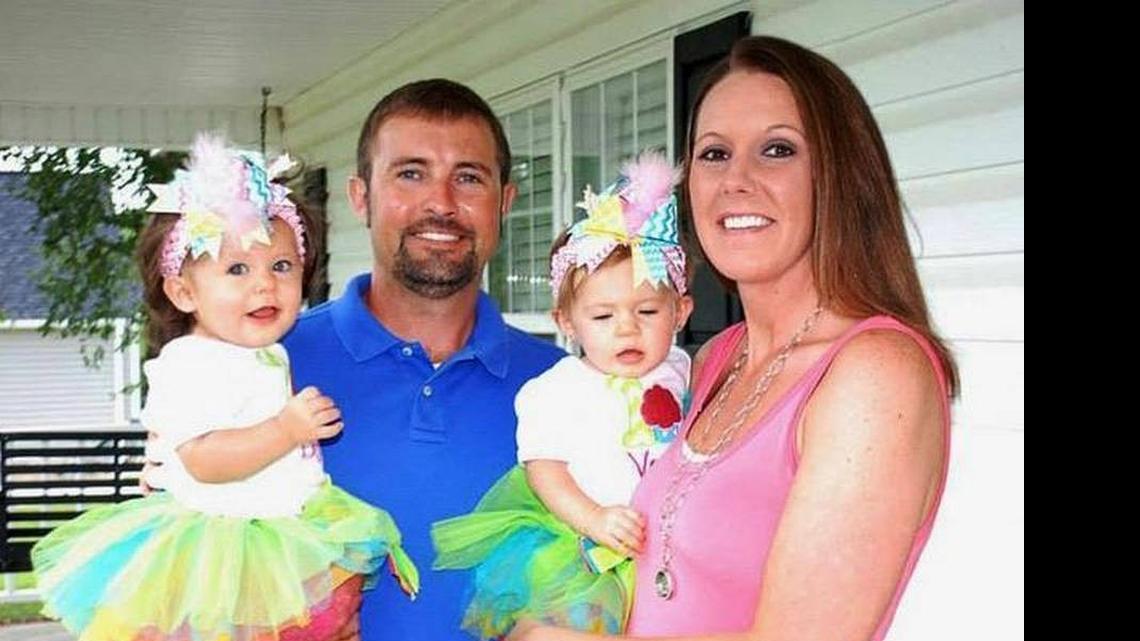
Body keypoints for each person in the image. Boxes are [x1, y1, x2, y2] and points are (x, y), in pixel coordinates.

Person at [513, 34, 958, 641]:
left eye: (777, 150)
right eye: (714, 154)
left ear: (842, 177)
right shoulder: (718, 356)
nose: (736, 180)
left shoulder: (875, 372)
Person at [32, 134, 417, 641]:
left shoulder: (266, 352)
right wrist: (286, 428)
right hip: (222, 543)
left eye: (281, 266)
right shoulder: (191, 363)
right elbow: (205, 460)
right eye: (236, 269)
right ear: (183, 291)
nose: (264, 284)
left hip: (281, 527)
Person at [281, 79, 566, 641]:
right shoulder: (271, 366)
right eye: (410, 173)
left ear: (504, 203)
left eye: (468, 177)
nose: (441, 202)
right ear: (360, 197)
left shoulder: (566, 385)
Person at [431, 151, 694, 638]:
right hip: (582, 545)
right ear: (567, 323)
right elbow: (544, 470)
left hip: (661, 546)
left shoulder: (683, 369)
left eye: (648, 313)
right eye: (602, 317)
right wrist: (593, 519)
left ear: (680, 311)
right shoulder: (558, 389)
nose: (626, 330)